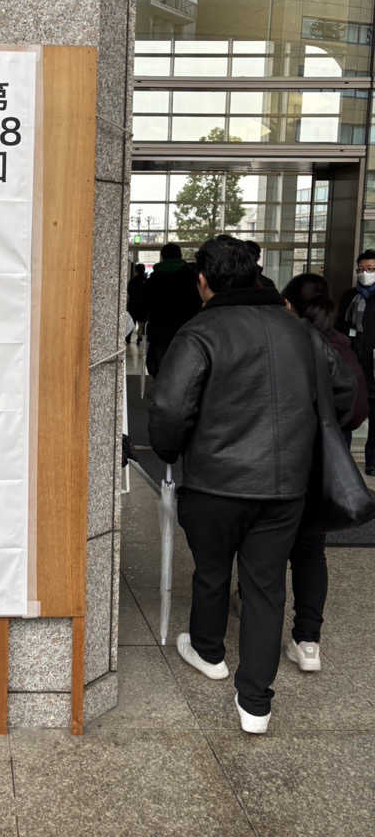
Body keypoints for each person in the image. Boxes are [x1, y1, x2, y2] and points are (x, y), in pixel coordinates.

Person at [148, 236, 318, 734]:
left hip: (216, 482)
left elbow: (169, 407)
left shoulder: (201, 331)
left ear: (204, 281)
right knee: (267, 587)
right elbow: (335, 392)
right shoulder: (296, 329)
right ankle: (256, 705)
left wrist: (168, 449)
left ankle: (208, 651)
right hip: (285, 483)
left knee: (212, 569)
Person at [281, 273, 360, 673]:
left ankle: (256, 625)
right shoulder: (340, 344)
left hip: (284, 461)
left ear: (289, 305)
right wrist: (330, 424)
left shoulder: (286, 343)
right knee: (311, 551)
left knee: (270, 547)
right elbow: (356, 403)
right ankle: (308, 640)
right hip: (324, 465)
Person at [337, 249, 375, 474]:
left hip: (374, 364)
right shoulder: (350, 297)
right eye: (361, 270)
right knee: (347, 414)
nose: (365, 274)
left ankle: (372, 461)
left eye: (370, 270)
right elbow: (341, 327)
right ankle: (343, 460)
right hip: (352, 363)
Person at [143, 242, 201, 376]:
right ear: (180, 256)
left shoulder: (154, 280)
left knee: (159, 370)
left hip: (159, 331)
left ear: (162, 257)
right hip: (186, 331)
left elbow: (145, 304)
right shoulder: (191, 278)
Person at [126, 263, 147, 345]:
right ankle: (139, 336)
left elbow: (129, 291)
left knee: (132, 321)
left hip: (133, 305)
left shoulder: (132, 281)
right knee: (141, 322)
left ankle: (128, 337)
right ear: (144, 270)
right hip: (143, 305)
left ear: (136, 270)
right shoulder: (146, 281)